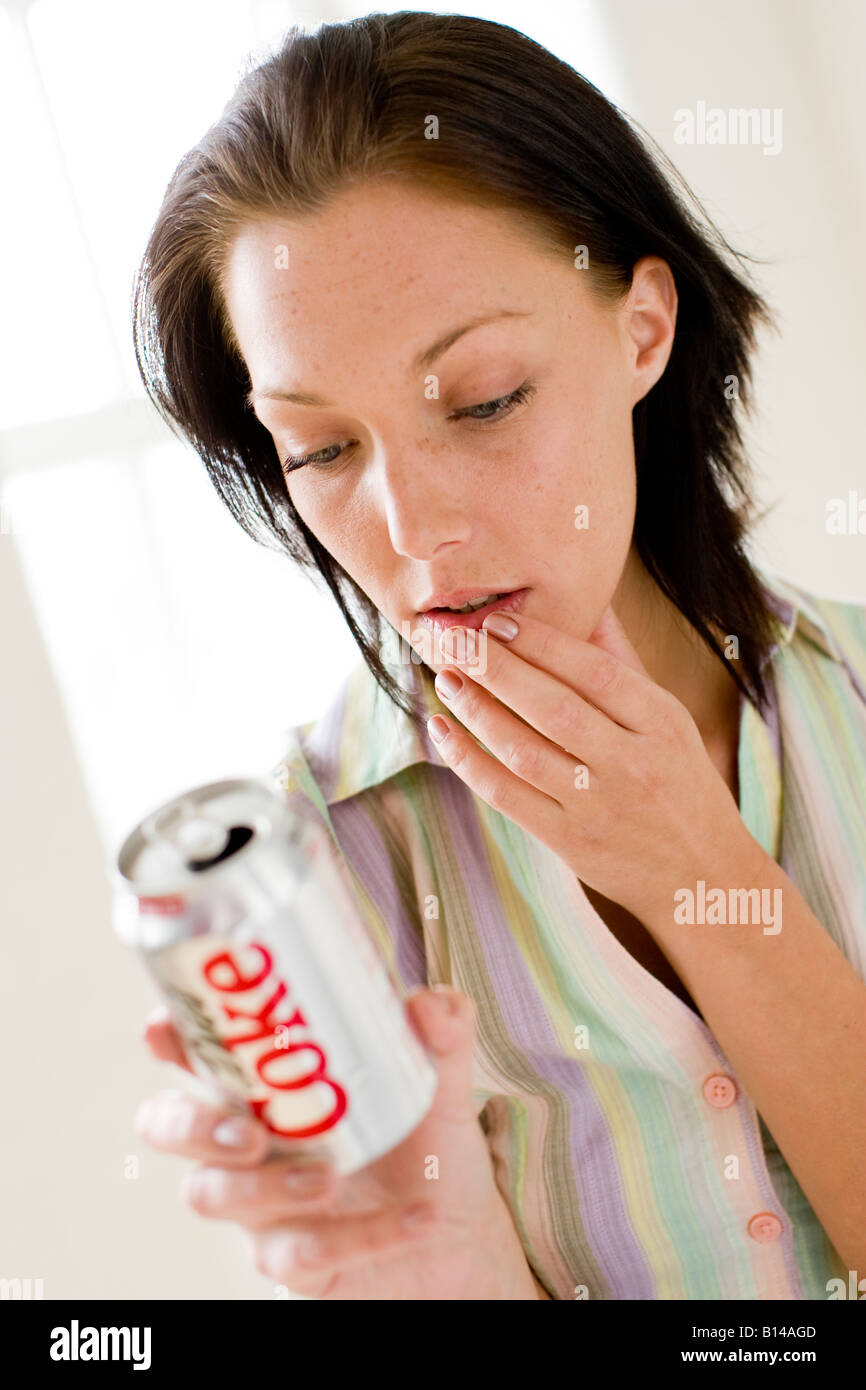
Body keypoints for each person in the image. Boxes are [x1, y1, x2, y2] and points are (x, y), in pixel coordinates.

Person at [132, 12, 866, 1300]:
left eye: (482, 401)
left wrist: (701, 877)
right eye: (321, 450)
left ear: (642, 330)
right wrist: (443, 1267)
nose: (416, 531)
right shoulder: (315, 882)